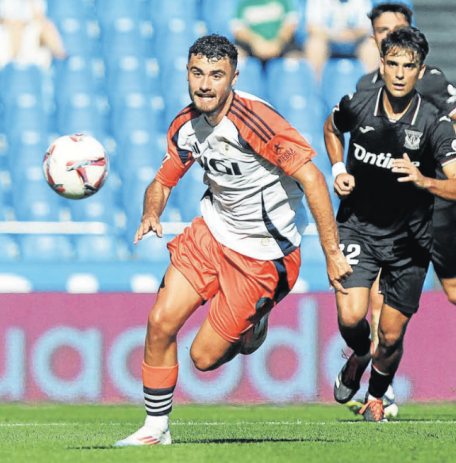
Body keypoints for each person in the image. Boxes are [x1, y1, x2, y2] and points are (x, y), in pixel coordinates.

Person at [115, 34, 351, 446]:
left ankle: (252, 325)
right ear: (187, 73)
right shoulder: (185, 126)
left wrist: (331, 254)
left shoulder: (255, 122)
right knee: (159, 321)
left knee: (203, 359)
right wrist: (151, 212)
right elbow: (161, 181)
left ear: (233, 78)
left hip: (264, 254)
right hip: (211, 232)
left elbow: (312, 178)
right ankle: (155, 431)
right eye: (197, 73)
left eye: (216, 75)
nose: (205, 84)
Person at [348, 2, 456, 417]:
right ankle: (378, 392)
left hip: (435, 205)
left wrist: (423, 138)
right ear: (375, 40)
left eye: (398, 28)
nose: (391, 36)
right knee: (373, 302)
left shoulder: (432, 82)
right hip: (387, 215)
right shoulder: (365, 88)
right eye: (383, 31)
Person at [325, 26, 456, 422]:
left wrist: (425, 180)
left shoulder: (434, 123)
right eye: (392, 63)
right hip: (357, 226)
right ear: (382, 63)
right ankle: (358, 356)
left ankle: (375, 395)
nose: (398, 73)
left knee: (390, 336)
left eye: (408, 66)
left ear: (419, 70)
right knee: (352, 317)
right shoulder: (358, 104)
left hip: (410, 241)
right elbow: (330, 127)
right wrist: (338, 168)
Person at [304, 0, 380, 81]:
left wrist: (352, 34)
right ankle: (315, 87)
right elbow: (312, 27)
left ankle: (370, 87)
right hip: (328, 40)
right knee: (315, 44)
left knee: (371, 45)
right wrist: (335, 35)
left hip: (354, 42)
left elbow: (366, 27)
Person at [0, 0, 67, 74]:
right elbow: (4, 20)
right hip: (7, 40)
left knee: (44, 50)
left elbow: (40, 19)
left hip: (29, 41)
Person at [232, 0, 303, 66]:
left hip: (281, 44)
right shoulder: (244, 4)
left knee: (296, 59)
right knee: (236, 56)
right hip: (252, 46)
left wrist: (278, 42)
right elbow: (239, 30)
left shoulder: (284, 2)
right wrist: (256, 42)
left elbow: (290, 26)